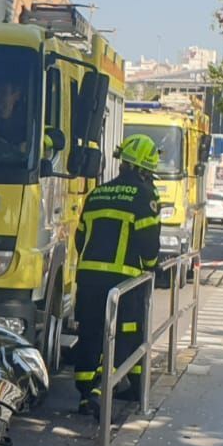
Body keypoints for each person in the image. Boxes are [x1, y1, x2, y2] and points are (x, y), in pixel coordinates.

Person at [70, 134, 161, 416]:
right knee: (125, 335)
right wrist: (151, 266)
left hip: (88, 279)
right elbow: (148, 242)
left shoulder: (97, 194)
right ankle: (103, 390)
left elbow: (80, 237)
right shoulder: (144, 196)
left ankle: (86, 396)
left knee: (90, 333)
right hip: (123, 282)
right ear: (144, 169)